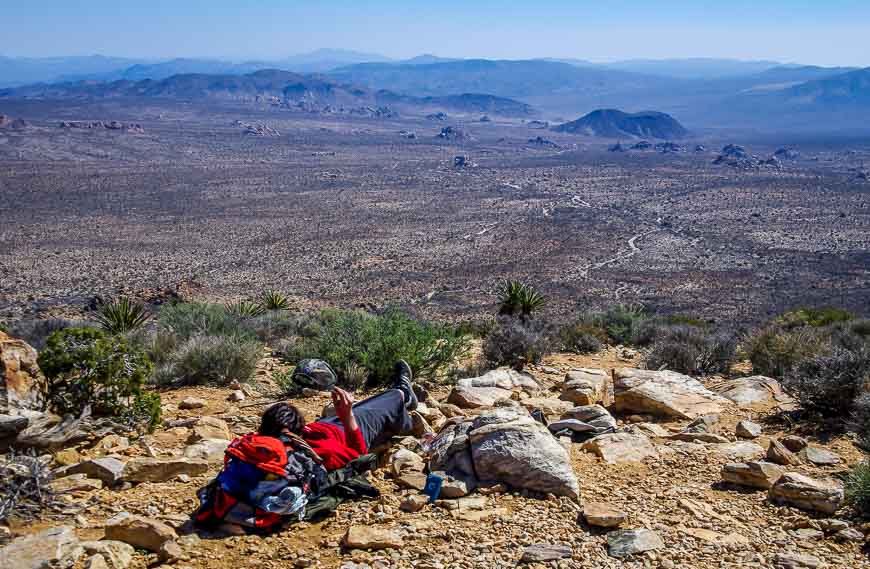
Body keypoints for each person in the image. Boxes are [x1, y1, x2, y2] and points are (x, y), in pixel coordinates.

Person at [258, 360, 418, 471]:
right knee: (383, 405)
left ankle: (398, 397)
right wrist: (347, 417)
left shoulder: (259, 447)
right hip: (344, 432)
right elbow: (357, 454)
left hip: (327, 426)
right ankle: (404, 396)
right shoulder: (322, 452)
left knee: (362, 406)